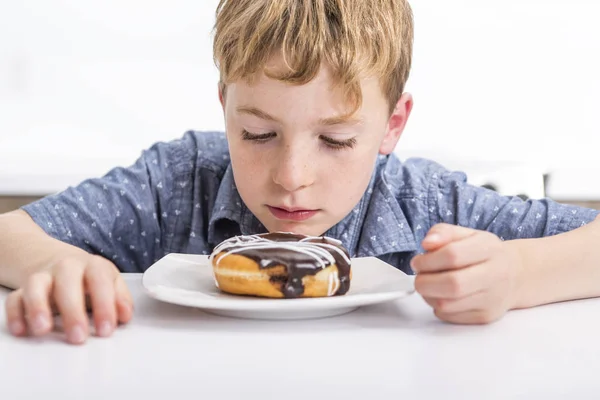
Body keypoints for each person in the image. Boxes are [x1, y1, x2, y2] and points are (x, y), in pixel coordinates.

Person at [2, 0, 599, 345]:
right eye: (257, 134)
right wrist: (57, 265)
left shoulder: (424, 204)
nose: (291, 177)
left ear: (392, 125)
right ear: (224, 108)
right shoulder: (178, 181)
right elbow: (10, 235)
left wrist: (518, 274)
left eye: (337, 140)